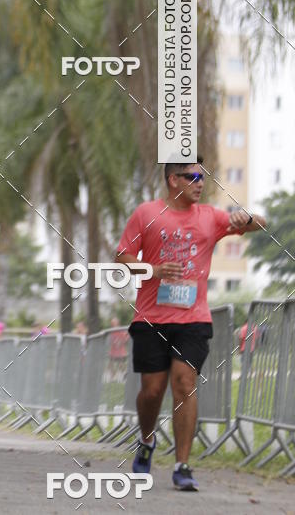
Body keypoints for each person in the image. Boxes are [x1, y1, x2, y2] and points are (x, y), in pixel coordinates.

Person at [115, 157, 266, 491]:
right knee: (152, 391)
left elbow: (262, 223)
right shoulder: (146, 213)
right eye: (192, 176)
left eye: (203, 177)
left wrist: (247, 218)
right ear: (173, 179)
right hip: (151, 318)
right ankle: (147, 440)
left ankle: (183, 465)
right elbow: (122, 258)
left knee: (184, 383)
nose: (200, 182)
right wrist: (153, 270)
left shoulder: (211, 217)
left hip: (193, 319)